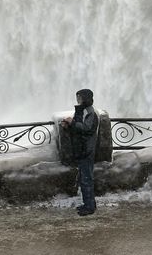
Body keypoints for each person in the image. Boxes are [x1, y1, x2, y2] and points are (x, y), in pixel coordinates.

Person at [61, 88, 99, 216]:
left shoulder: (90, 112)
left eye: (80, 97)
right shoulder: (82, 110)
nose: (78, 100)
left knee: (86, 179)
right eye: (77, 97)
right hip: (81, 148)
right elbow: (78, 127)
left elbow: (87, 129)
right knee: (84, 178)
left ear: (86, 98)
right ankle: (88, 204)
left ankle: (89, 207)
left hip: (86, 149)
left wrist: (73, 123)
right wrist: (68, 124)